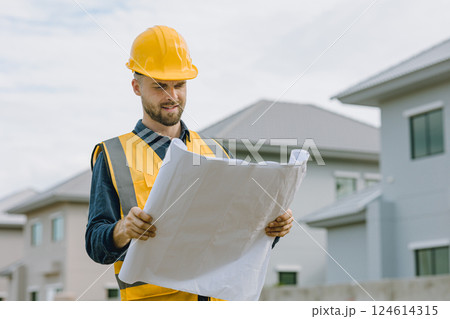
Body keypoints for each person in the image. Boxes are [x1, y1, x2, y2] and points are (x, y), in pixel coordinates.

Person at [85, 25, 294, 301]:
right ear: (137, 87)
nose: (172, 96)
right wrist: (122, 230)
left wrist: (271, 229)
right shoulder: (112, 155)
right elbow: (95, 244)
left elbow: (235, 234)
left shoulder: (215, 151)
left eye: (179, 85)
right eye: (160, 86)